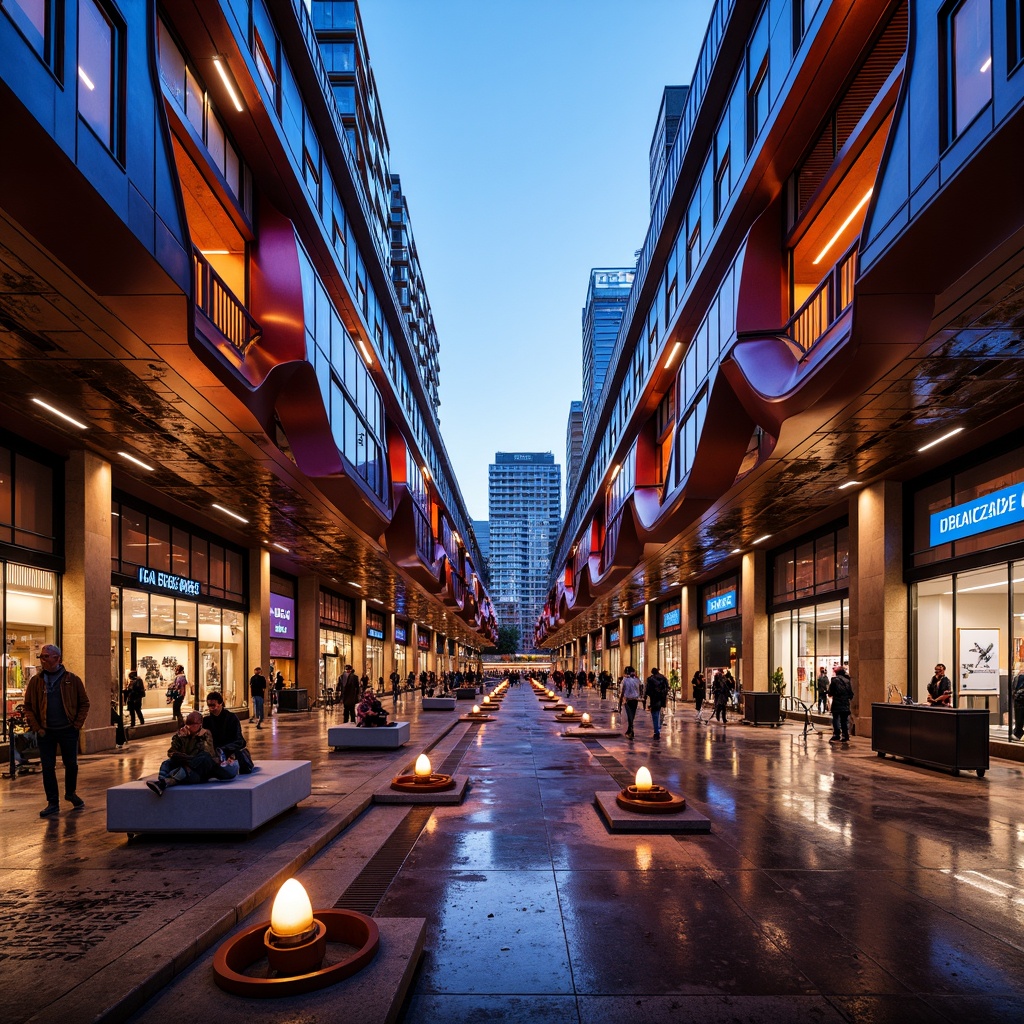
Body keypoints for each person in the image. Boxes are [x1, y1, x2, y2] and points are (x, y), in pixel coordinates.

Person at [24, 644, 91, 817]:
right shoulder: (36, 681)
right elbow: (29, 706)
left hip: (68, 730)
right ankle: (52, 802)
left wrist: (76, 725)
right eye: (41, 656)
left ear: (57, 658)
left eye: (46, 656)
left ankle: (70, 792)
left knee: (71, 764)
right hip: (46, 732)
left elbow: (84, 703)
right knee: (48, 767)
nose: (42, 659)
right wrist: (37, 727)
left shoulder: (72, 680)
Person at [146, 711, 236, 795]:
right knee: (167, 763)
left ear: (200, 724)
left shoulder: (205, 734)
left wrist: (187, 758)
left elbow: (207, 753)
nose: (189, 726)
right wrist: (181, 739)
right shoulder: (181, 734)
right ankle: (162, 780)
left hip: (198, 769)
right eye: (188, 724)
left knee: (202, 758)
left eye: (193, 724)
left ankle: (164, 783)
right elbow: (171, 752)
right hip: (186, 762)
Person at [202, 691, 247, 759]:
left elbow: (240, 740)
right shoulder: (206, 720)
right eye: (209, 706)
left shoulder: (231, 718)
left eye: (213, 705)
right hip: (213, 754)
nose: (211, 708)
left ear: (220, 704)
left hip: (229, 752)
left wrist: (225, 749)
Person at [828, 664, 854, 742]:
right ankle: (845, 735)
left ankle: (836, 734)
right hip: (845, 703)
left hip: (837, 702)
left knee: (836, 718)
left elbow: (831, 692)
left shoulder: (834, 680)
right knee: (844, 720)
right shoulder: (847, 680)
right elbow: (851, 693)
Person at [645, 666, 669, 739]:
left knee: (655, 715)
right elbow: (667, 688)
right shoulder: (664, 678)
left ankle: (657, 731)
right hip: (662, 699)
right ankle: (658, 728)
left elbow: (647, 691)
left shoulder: (650, 679)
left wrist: (645, 698)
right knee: (661, 714)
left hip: (654, 699)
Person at [618, 666, 642, 739]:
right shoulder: (637, 680)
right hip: (635, 699)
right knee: (632, 715)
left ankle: (631, 730)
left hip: (628, 700)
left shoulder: (625, 680)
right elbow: (640, 687)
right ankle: (629, 729)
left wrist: (620, 701)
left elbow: (622, 691)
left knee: (629, 715)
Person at [1012, 665, 1024, 739]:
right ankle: (1018, 732)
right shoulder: (1018, 678)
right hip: (1020, 700)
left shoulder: (1017, 677)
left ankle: (1018, 732)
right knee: (1019, 717)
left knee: (1019, 717)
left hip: (1018, 700)